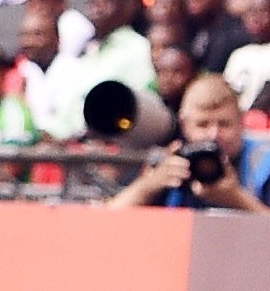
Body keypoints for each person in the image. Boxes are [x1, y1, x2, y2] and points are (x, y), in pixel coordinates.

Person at [106, 75, 270, 213]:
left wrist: (236, 199)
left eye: (224, 124)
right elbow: (108, 220)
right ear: (184, 125)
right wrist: (149, 186)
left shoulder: (264, 163)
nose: (214, 135)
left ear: (241, 122)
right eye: (202, 125)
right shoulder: (170, 163)